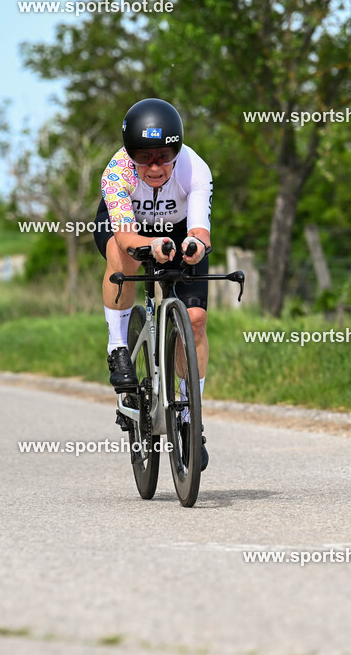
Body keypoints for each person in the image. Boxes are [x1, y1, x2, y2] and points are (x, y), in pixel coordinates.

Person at [93, 98, 213, 469]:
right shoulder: (116, 173)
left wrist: (194, 247)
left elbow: (199, 231)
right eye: (145, 157)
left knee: (194, 319)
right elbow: (127, 237)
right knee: (121, 253)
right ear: (131, 155)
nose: (156, 166)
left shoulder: (195, 168)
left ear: (177, 149)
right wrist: (150, 246)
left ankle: (190, 418)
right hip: (129, 232)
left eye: (164, 155)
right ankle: (118, 348)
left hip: (178, 231)